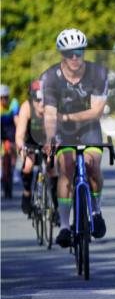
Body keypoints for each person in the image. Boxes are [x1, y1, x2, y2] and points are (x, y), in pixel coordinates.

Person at [40, 29, 110, 247]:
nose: (74, 57)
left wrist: (68, 116)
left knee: (92, 166)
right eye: (70, 53)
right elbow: (50, 113)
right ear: (62, 53)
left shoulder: (97, 74)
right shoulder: (51, 77)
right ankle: (63, 226)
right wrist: (51, 137)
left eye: (78, 52)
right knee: (66, 166)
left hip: (90, 128)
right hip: (64, 131)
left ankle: (96, 211)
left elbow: (97, 111)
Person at [15, 81, 56, 214]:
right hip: (30, 141)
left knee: (53, 169)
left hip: (46, 141)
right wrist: (21, 146)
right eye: (37, 99)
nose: (41, 103)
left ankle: (55, 204)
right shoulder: (26, 108)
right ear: (32, 98)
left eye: (44, 98)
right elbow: (20, 133)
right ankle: (27, 193)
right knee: (28, 164)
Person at [0, 84, 19, 198]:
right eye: (1, 97)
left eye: (6, 97)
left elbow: (17, 120)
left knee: (13, 148)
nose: (4, 100)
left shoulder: (14, 104)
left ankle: (14, 168)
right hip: (1, 131)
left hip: (11, 130)